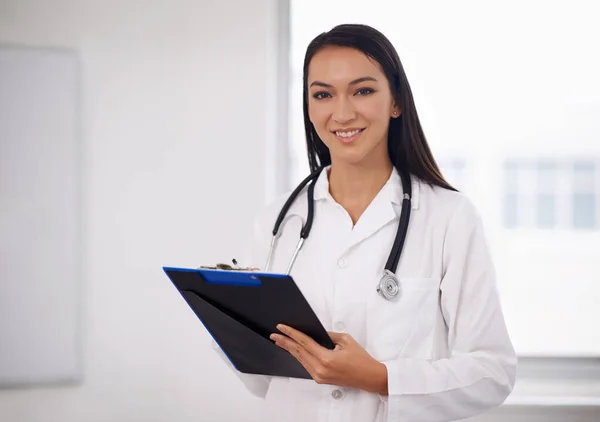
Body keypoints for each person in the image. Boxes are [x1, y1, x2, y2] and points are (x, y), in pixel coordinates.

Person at [212, 23, 517, 422]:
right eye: (323, 94)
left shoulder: (449, 218)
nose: (342, 113)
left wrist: (381, 377)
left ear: (396, 102)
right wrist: (227, 324)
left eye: (363, 91)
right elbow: (261, 382)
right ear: (308, 106)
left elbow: (493, 373)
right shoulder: (276, 222)